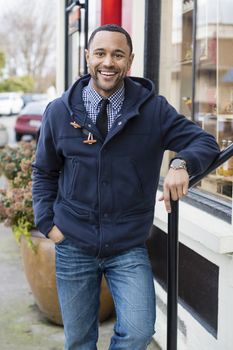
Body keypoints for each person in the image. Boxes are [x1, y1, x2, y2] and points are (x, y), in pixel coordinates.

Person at [32, 24, 219, 350]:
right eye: (101, 53)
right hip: (73, 242)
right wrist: (49, 225)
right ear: (87, 56)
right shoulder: (60, 112)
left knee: (138, 331)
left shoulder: (153, 110)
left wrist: (181, 164)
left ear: (129, 60)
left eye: (117, 54)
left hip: (127, 247)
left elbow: (204, 142)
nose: (108, 62)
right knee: (78, 340)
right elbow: (44, 172)